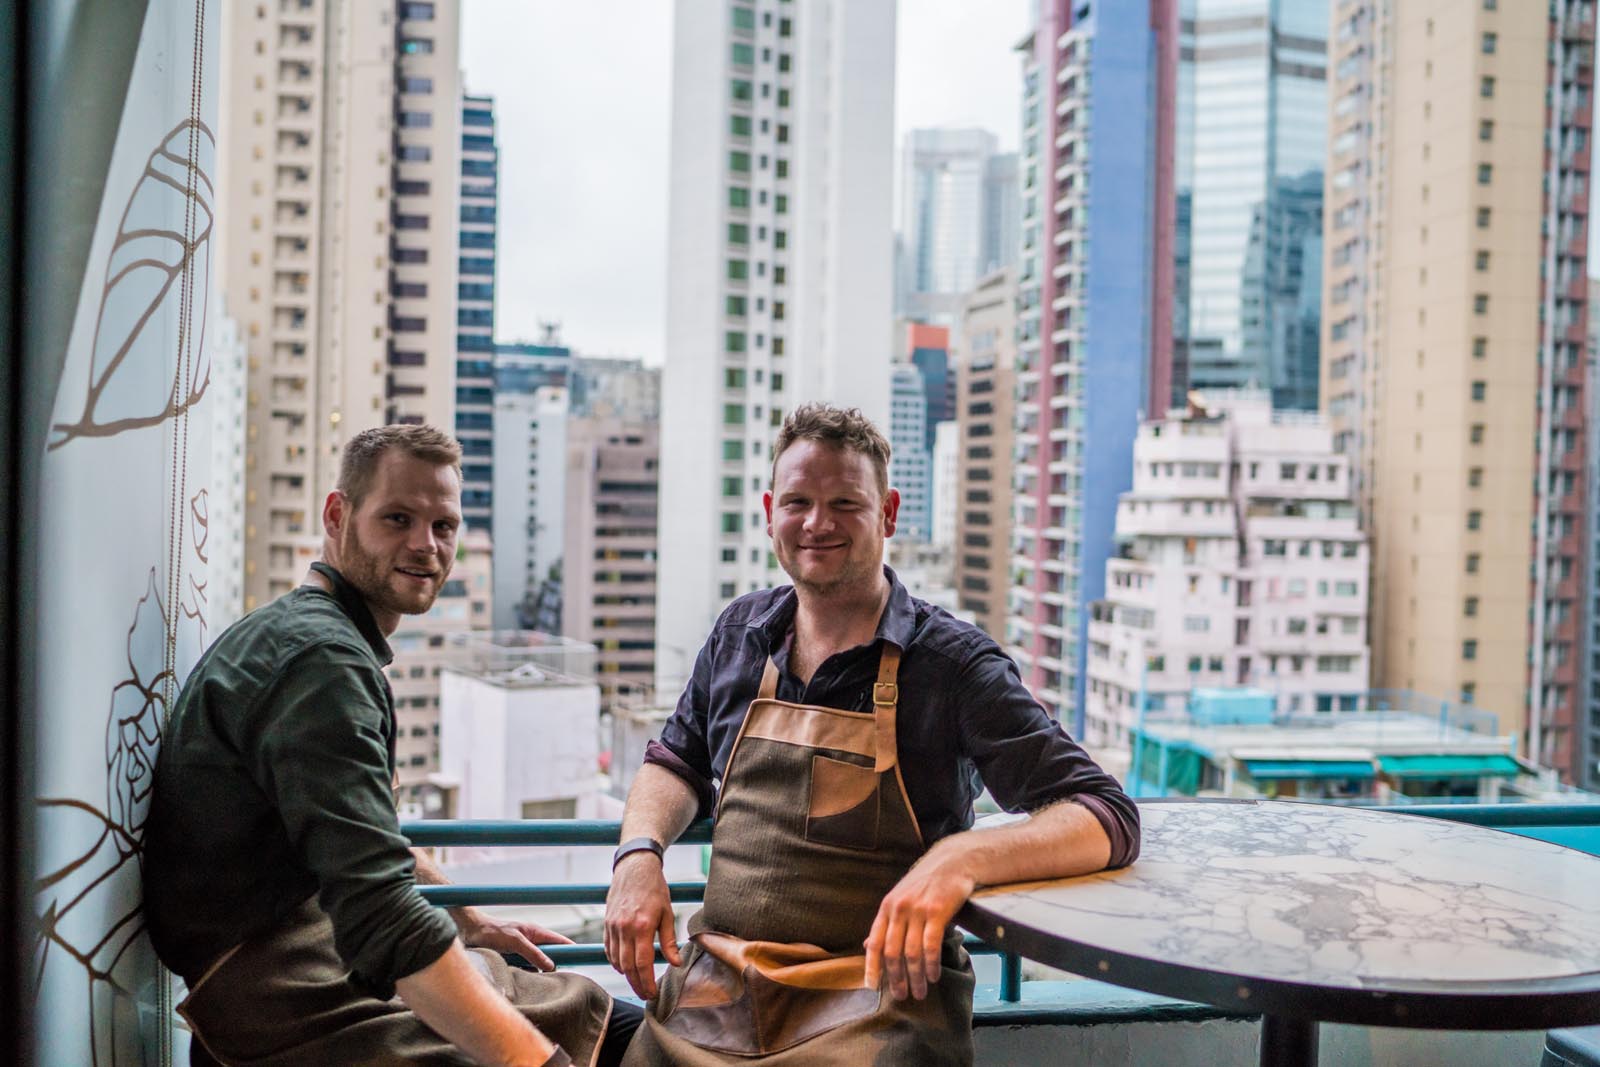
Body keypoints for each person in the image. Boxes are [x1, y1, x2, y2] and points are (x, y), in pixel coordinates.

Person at [604, 404, 1140, 1066]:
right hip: (715, 999)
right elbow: (676, 762)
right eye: (797, 502)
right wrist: (638, 854)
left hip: (879, 1012)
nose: (817, 523)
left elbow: (1104, 813)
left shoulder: (954, 665)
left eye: (844, 504)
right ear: (770, 511)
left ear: (887, 513)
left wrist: (958, 861)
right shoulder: (739, 634)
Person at [144, 425, 637, 1067]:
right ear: (336, 516)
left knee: (606, 1020)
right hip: (289, 993)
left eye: (443, 526)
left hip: (316, 960)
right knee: (602, 1038)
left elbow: (358, 837)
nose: (425, 545)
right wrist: (534, 1063)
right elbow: (381, 912)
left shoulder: (309, 636)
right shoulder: (321, 663)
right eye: (398, 518)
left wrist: (471, 921)